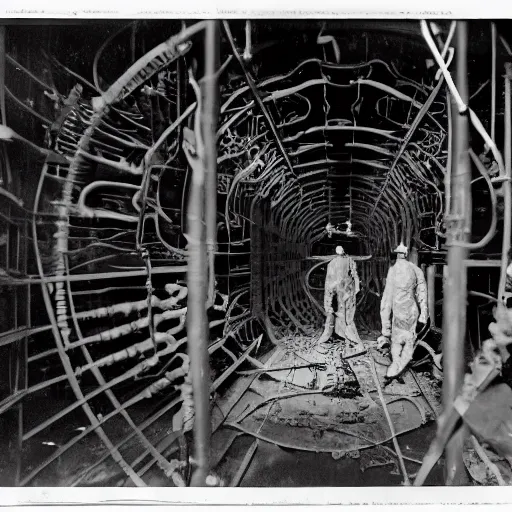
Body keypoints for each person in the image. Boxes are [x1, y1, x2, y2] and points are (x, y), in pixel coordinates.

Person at [377, 242, 428, 378]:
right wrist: (424, 314)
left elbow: (386, 301)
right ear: (406, 254)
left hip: (399, 312)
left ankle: (396, 365)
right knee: (409, 340)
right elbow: (422, 293)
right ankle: (399, 365)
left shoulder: (393, 271)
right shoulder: (416, 269)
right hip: (412, 311)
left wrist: (385, 328)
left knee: (397, 341)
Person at [317, 245, 361, 349]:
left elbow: (354, 275)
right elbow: (330, 281)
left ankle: (346, 336)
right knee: (343, 314)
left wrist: (329, 296)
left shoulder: (339, 262)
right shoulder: (337, 262)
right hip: (343, 291)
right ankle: (342, 334)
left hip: (344, 291)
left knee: (344, 314)